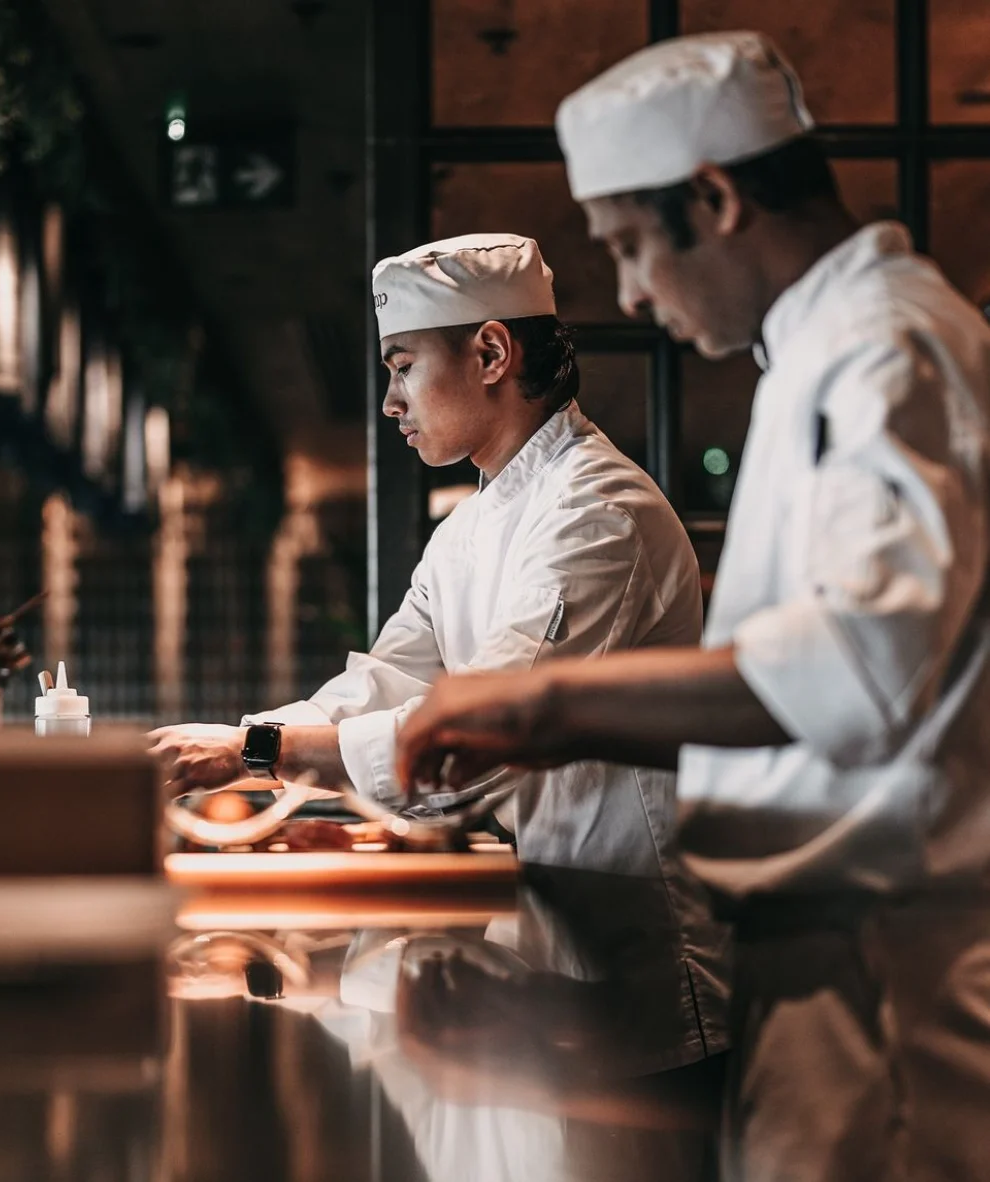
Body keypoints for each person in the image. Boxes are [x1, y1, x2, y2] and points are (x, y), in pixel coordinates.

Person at [396, 32, 990, 1182]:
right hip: (822, 950)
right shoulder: (820, 348)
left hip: (881, 964)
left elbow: (857, 662)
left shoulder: (888, 344)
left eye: (627, 246)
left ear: (713, 198)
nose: (626, 292)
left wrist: (539, 706)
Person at [150, 232, 728, 1060]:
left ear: (492, 352)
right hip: (552, 931)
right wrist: (238, 747)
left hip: (643, 955)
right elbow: (387, 680)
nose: (390, 402)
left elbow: (485, 736)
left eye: (402, 365)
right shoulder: (470, 526)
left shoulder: (598, 514)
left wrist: (257, 752)